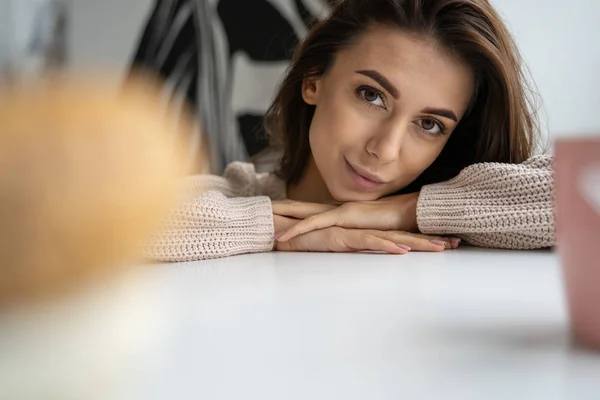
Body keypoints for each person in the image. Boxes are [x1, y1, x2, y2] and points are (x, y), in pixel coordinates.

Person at [145, 0, 554, 262]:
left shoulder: (464, 220)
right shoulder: (235, 201)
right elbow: (93, 224)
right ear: (313, 80)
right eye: (371, 95)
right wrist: (279, 229)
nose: (385, 149)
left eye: (429, 125)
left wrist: (408, 211)